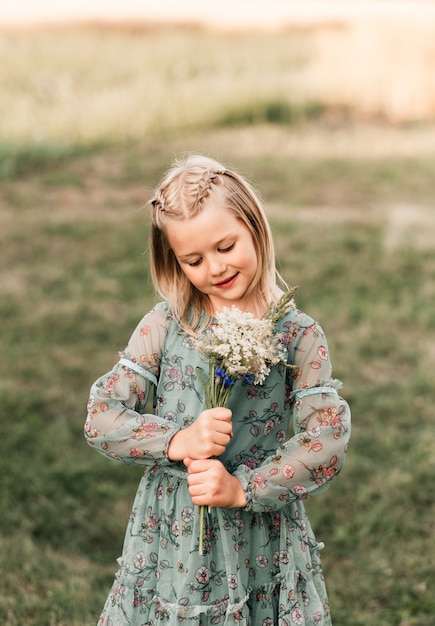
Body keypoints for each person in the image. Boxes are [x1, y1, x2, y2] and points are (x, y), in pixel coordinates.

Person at [84, 154, 351, 626]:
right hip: (176, 530)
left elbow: (326, 439)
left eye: (226, 246)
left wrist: (243, 488)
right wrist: (176, 441)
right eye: (194, 259)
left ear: (255, 228)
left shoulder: (298, 335)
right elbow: (102, 416)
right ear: (175, 260)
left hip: (259, 531)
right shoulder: (167, 324)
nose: (215, 267)